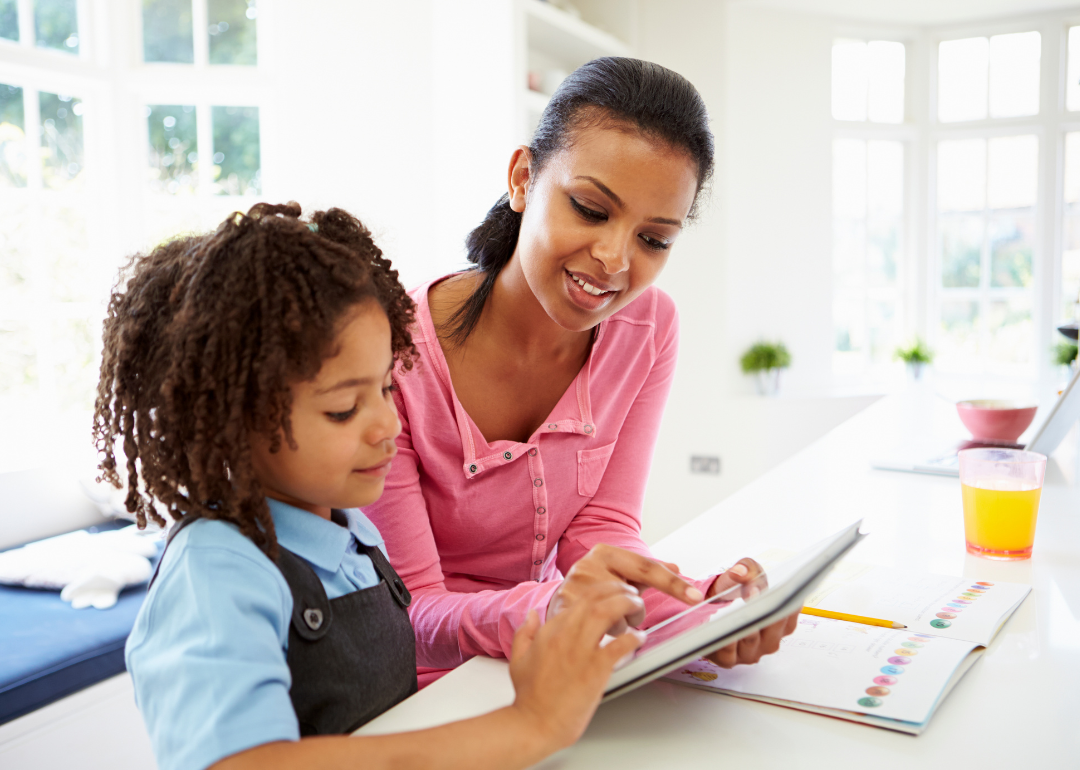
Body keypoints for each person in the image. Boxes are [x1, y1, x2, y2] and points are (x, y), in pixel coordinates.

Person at [96, 203, 676, 770]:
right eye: (345, 409)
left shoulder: (351, 534)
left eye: (382, 389)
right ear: (226, 420)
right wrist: (525, 728)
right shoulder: (216, 571)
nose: (389, 425)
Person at [363, 56, 798, 688]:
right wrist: (556, 608)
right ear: (522, 179)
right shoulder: (387, 347)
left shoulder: (648, 329)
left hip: (546, 659)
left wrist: (700, 607)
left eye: (654, 239)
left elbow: (601, 528)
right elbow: (412, 612)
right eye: (591, 209)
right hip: (418, 688)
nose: (614, 259)